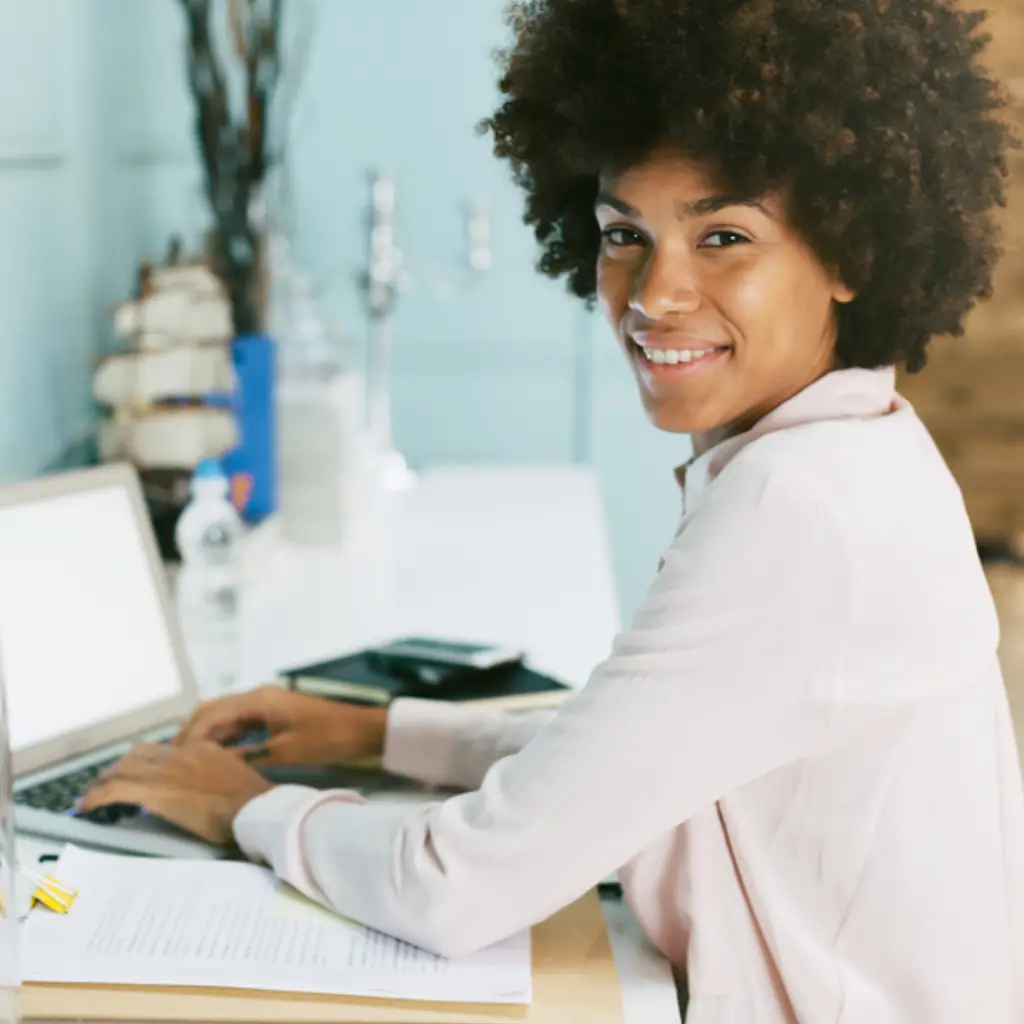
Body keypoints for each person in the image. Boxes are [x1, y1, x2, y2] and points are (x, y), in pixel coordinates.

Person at [82, 0, 1024, 1019]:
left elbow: (457, 883)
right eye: (624, 233)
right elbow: (625, 758)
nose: (654, 293)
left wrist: (250, 812)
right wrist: (369, 731)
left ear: (852, 255)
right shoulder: (858, 444)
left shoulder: (797, 509)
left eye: (722, 235)